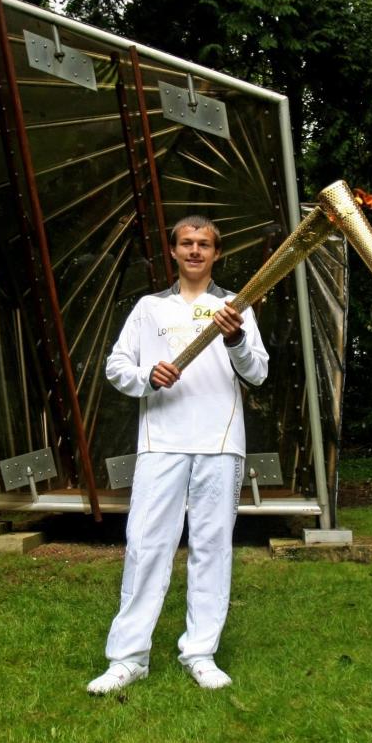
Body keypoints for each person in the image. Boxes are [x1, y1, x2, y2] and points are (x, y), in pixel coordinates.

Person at [87, 215, 269, 694]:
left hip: (219, 441)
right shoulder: (149, 308)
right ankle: (128, 658)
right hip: (161, 441)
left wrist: (234, 339)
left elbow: (258, 372)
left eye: (203, 244)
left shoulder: (235, 306)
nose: (194, 251)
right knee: (147, 545)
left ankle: (201, 651)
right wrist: (149, 375)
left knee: (212, 547)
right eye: (186, 243)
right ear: (172, 251)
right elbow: (116, 366)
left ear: (215, 252)